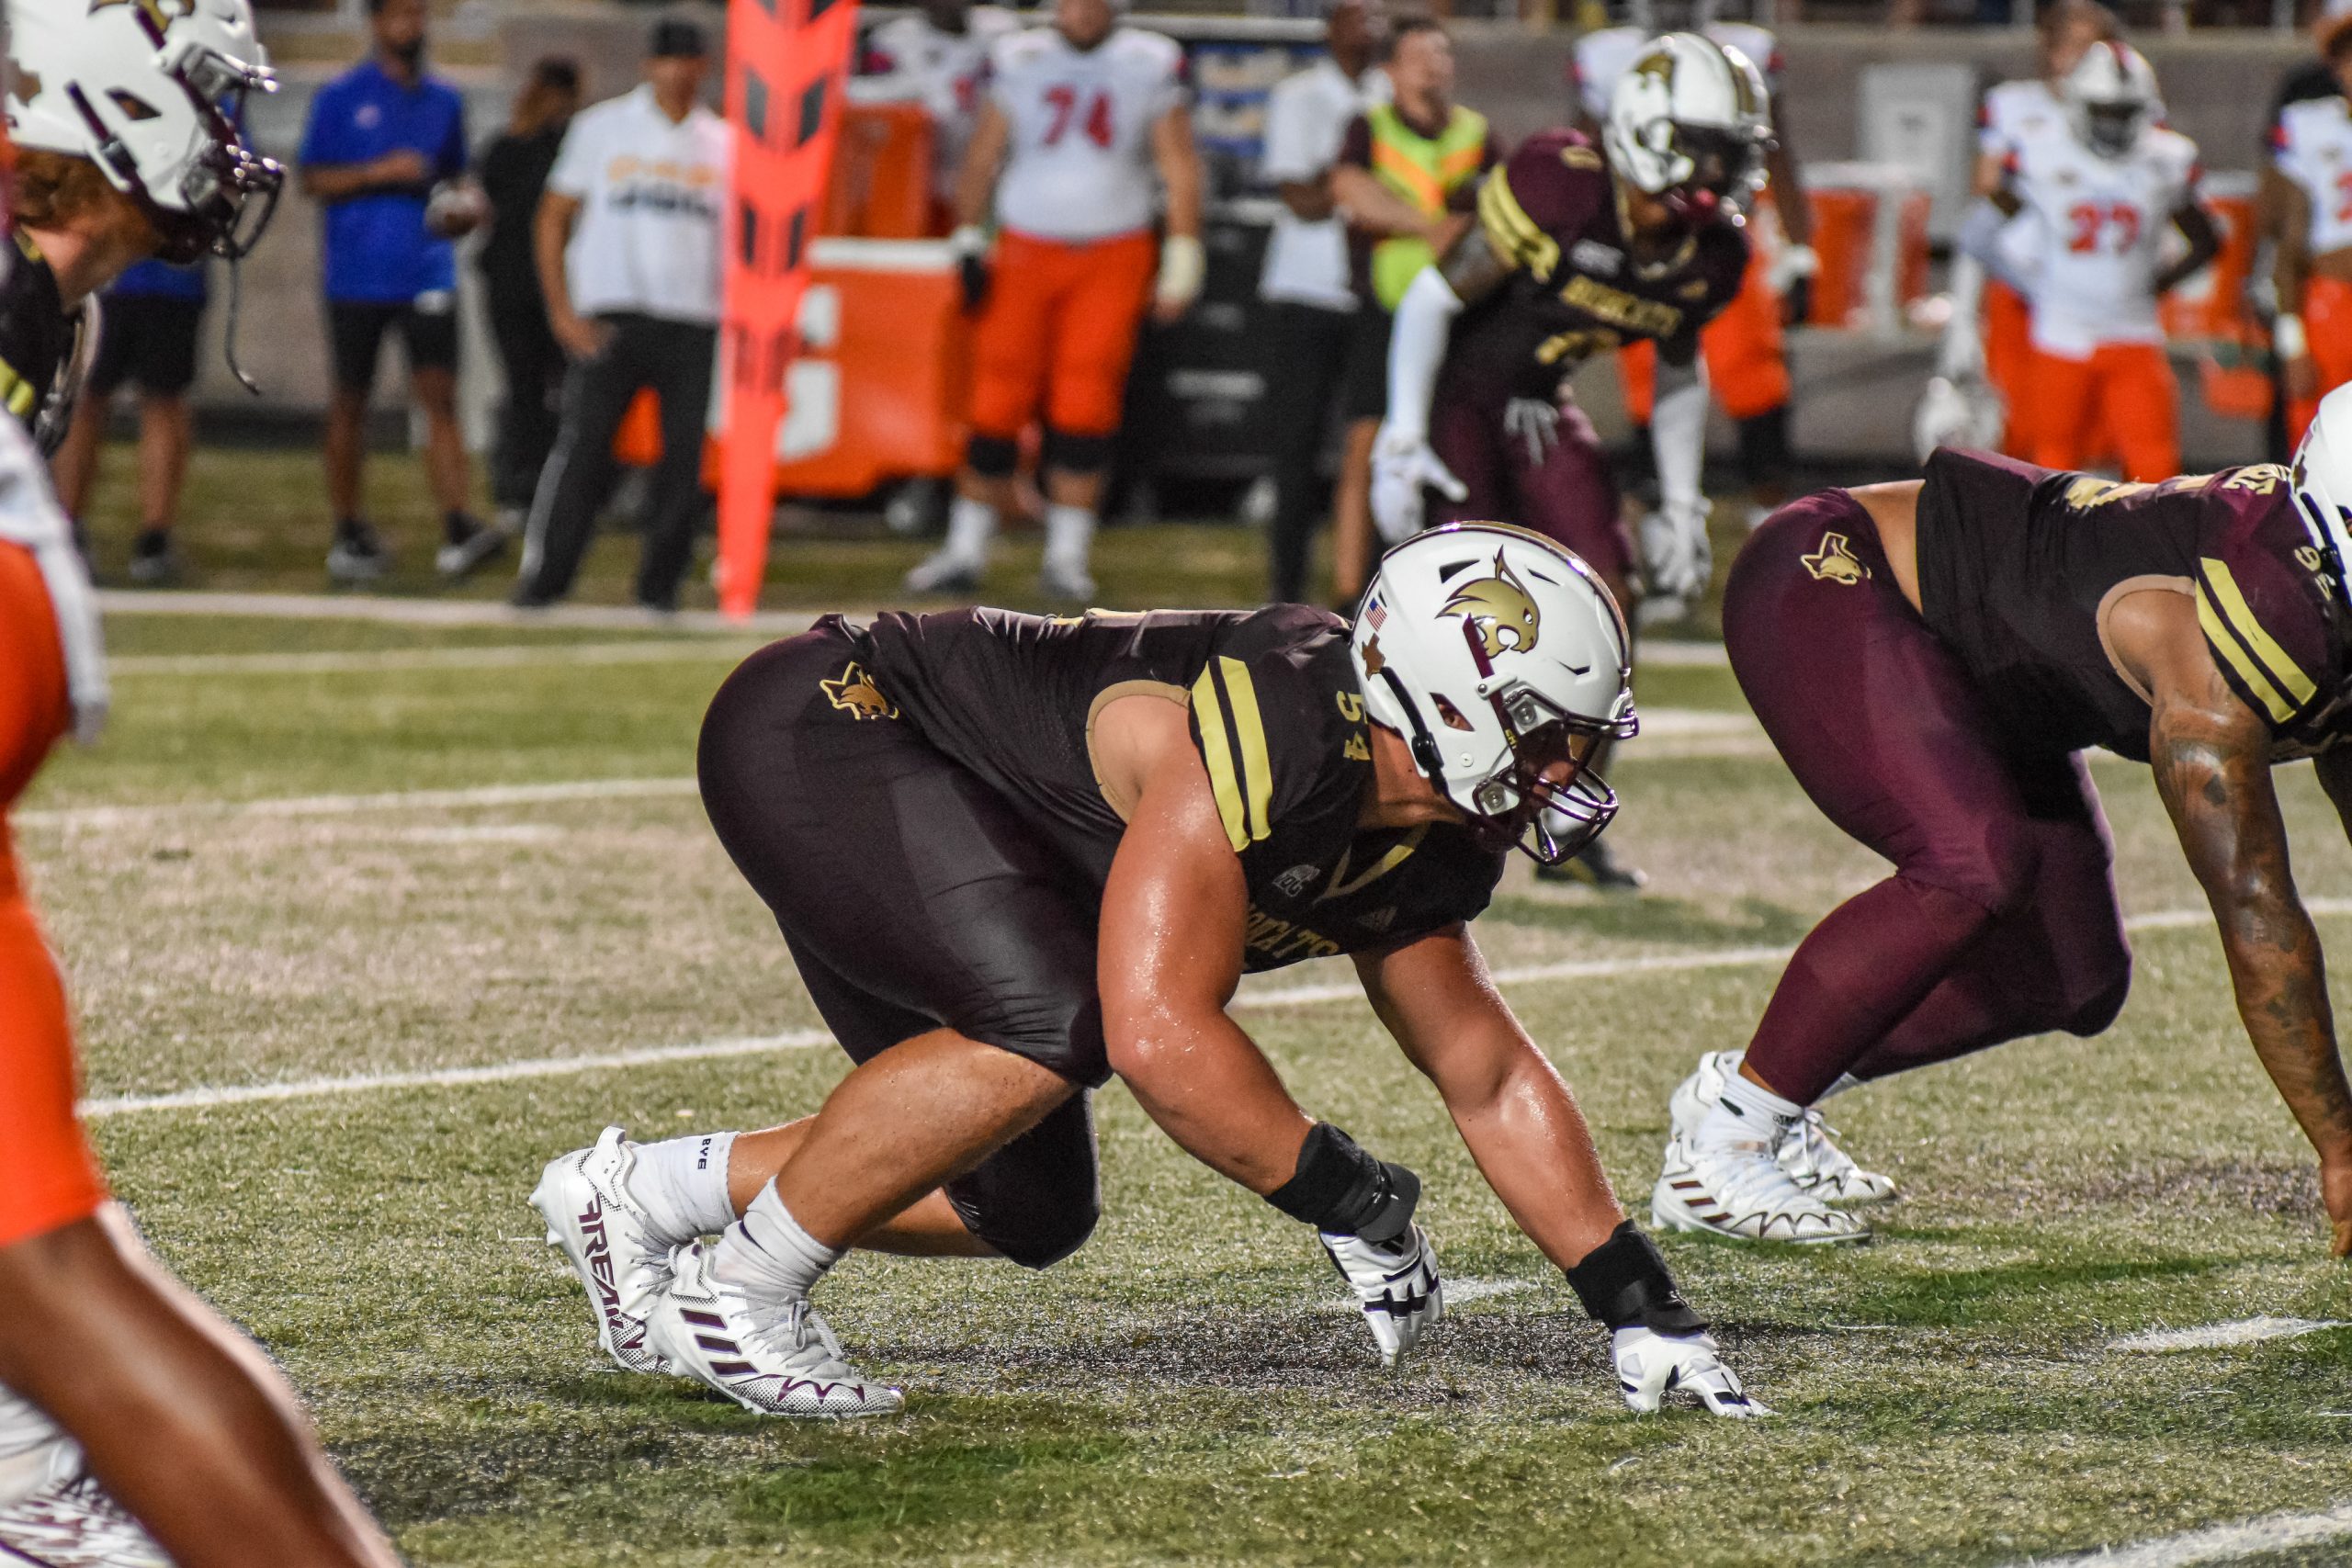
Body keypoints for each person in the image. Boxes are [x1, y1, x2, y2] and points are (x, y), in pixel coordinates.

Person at [530, 525, 1761, 1422]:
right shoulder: (1290, 720)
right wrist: (1350, 1194)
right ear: (1450, 698)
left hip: (956, 816)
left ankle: (639, 1193)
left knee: (1024, 1206)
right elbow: (1158, 1034)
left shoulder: (1426, 836)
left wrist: (1636, 1299)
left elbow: (1484, 1071)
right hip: (839, 724)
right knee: (1055, 1025)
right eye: (1548, 731)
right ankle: (743, 1289)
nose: (1567, 767)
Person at [0, 3, 404, 1563]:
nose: (227, 131)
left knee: (42, 1260)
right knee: (37, 1244)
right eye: (202, 90)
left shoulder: (55, 296)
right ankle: (33, 1457)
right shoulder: (57, 301)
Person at [1648, 407, 2352, 1251]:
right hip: (1835, 575)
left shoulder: (2315, 591)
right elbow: (2254, 905)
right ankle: (1725, 1137)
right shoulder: (2227, 639)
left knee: (2071, 979)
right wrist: (2341, 1144)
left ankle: (1766, 1088)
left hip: (1986, 670)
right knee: (1973, 864)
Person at [1371, 32, 1758, 891]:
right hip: (1457, 398)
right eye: (1712, 147)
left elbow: (1678, 362)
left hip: (1540, 406)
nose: (1726, 168)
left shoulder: (1712, 252)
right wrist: (1400, 436)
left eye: (1733, 150)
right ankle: (1409, 819)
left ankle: (1558, 811)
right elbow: (1435, 298)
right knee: (1449, 620)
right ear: (1649, 134)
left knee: (1607, 604)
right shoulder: (1563, 184)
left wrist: (1684, 501)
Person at [906, 0, 1205, 601]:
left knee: (1085, 405)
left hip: (1113, 252)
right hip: (1024, 250)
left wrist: (1183, 253)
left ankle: (1067, 558)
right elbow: (984, 153)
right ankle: (965, 549)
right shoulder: (1020, 57)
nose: (1084, 10)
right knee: (994, 402)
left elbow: (1178, 163)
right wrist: (968, 237)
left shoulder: (1149, 60)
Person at [1571, 0, 1817, 536]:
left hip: (1724, 234)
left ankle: (1770, 526)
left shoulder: (1744, 51)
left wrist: (1801, 248)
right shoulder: (1606, 56)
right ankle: (1662, 530)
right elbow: (1589, 152)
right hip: (1646, 244)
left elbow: (1775, 149)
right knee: (1647, 383)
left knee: (1756, 379)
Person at [511, 18, 728, 614]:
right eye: (667, 61)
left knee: (683, 462)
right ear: (647, 66)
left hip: (694, 316)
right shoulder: (603, 128)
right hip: (614, 314)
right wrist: (562, 309)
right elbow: (552, 217)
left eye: (687, 61)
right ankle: (546, 578)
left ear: (702, 67)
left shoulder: (725, 144)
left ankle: (660, 588)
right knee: (585, 452)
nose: (677, 73)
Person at [299, 0, 497, 586]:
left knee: (439, 396)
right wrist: (376, 173)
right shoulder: (340, 97)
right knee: (350, 402)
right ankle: (349, 529)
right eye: (400, 16)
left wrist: (464, 211)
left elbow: (455, 179)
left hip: (427, 271)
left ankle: (459, 523)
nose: (411, 27)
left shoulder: (445, 101)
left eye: (418, 15)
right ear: (377, 23)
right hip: (357, 275)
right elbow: (313, 178)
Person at [1963, 41, 2216, 483]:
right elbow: (1977, 234)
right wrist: (2033, 285)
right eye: (2103, 111)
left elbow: (2208, 240)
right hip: (2062, 336)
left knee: (2155, 470)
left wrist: (2153, 284)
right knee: (2049, 467)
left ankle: (2147, 555)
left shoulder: (2167, 158)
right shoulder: (2039, 153)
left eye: (2123, 113)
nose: (2112, 125)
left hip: (2133, 334)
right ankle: (2049, 555)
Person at [1325, 17, 1494, 609]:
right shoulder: (1368, 128)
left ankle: (1439, 586)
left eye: (1441, 52)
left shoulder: (1475, 131)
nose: (1433, 63)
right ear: (1390, 69)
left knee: (1451, 445)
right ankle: (1350, 591)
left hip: (1458, 314)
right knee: (1367, 443)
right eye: (1419, 53)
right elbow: (1349, 190)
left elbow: (1502, 204)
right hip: (1390, 308)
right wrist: (1431, 226)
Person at [1925, 0, 2119, 461]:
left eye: (2091, 48)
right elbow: (1986, 199)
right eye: (2070, 45)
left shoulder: (2124, 113)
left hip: (2092, 290)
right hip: (2022, 285)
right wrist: (1965, 311)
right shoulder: (2013, 106)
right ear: (2048, 48)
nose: (2078, 59)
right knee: (2016, 419)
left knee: (2096, 431)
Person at [1257, 0, 1385, 608]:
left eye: (1378, 18)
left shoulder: (1392, 94)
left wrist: (1348, 186)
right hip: (1306, 289)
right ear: (1330, 27)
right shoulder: (1301, 95)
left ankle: (1361, 584)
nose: (1371, 29)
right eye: (1359, 17)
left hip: (1375, 292)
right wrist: (1363, 190)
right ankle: (1285, 585)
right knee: (1296, 448)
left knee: (1373, 448)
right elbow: (1299, 195)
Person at [51, 254, 207, 586]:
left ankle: (153, 536)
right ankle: (71, 527)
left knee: (161, 399)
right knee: (86, 397)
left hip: (162, 277)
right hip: (105, 273)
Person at [474, 56, 582, 538]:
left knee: (549, 391)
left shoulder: (563, 145)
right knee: (528, 389)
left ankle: (543, 485)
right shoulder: (516, 147)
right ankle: (524, 485)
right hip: (520, 284)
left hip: (542, 285)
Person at [853, 0, 1023, 232]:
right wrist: (912, 93)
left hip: (988, 178)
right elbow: (856, 96)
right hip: (918, 181)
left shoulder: (1001, 32)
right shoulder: (894, 41)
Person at [2270, 17, 2352, 448]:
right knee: (2318, 449)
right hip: (2332, 304)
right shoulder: (2310, 126)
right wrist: (2291, 342)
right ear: (2336, 68)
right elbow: (2288, 245)